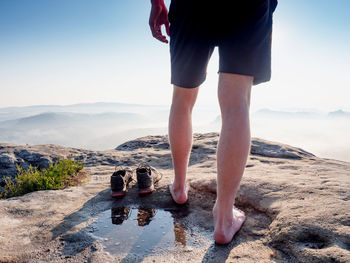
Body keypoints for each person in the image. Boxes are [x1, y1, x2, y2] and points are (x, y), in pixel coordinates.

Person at [149, 0, 277, 244]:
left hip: (190, 7)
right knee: (236, 102)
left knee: (182, 98)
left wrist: (156, 4)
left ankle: (178, 187)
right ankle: (224, 219)